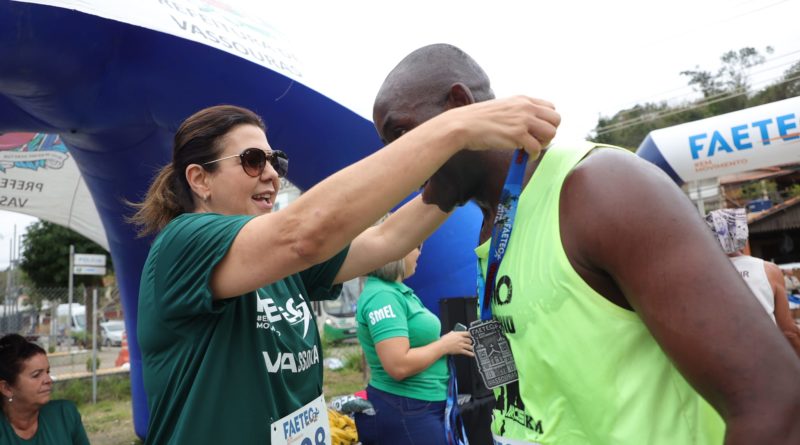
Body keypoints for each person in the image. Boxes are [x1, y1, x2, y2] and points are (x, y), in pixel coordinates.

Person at [372, 43, 800, 445]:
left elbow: (775, 404)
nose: (396, 160)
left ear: (460, 107)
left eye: (401, 134)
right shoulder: (492, 222)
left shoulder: (600, 188)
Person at [130, 100, 559, 444]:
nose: (271, 175)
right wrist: (455, 128)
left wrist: (452, 183)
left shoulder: (278, 262)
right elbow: (303, 233)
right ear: (199, 180)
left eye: (275, 161)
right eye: (252, 160)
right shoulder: (183, 244)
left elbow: (386, 240)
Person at [354, 237, 473, 445]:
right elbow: (398, 365)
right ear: (397, 251)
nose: (420, 253)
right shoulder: (382, 296)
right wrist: (445, 345)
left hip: (420, 406)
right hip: (407, 407)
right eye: (416, 246)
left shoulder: (398, 292)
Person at [705, 208, 800, 357]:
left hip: (723, 363)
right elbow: (788, 331)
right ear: (743, 234)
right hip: (767, 357)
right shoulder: (769, 270)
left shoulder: (703, 275)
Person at [0, 334, 90, 444]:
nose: (48, 380)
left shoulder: (65, 415)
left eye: (47, 372)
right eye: (36, 375)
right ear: (7, 388)